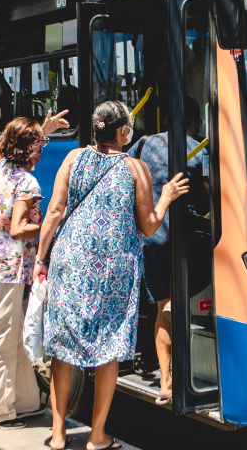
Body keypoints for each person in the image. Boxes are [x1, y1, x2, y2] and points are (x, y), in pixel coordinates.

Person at [35, 101, 189, 450]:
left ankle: (58, 435)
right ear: (122, 132)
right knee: (108, 349)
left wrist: (41, 258)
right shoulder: (136, 169)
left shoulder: (74, 160)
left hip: (71, 263)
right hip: (114, 270)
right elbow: (149, 226)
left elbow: (55, 212)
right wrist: (165, 198)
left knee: (64, 348)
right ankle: (97, 435)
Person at [0, 111, 69, 430]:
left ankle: (25, 401)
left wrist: (45, 128)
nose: (43, 150)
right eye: (39, 145)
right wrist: (50, 224)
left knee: (16, 334)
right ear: (27, 150)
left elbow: (26, 138)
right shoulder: (27, 181)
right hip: (7, 269)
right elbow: (18, 228)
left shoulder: (5, 167)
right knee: (6, 337)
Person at [127, 97, 205, 405]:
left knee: (162, 310)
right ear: (194, 123)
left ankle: (166, 382)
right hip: (188, 241)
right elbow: (209, 192)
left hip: (153, 239)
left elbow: (129, 175)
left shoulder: (144, 144)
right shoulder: (199, 149)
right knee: (188, 297)